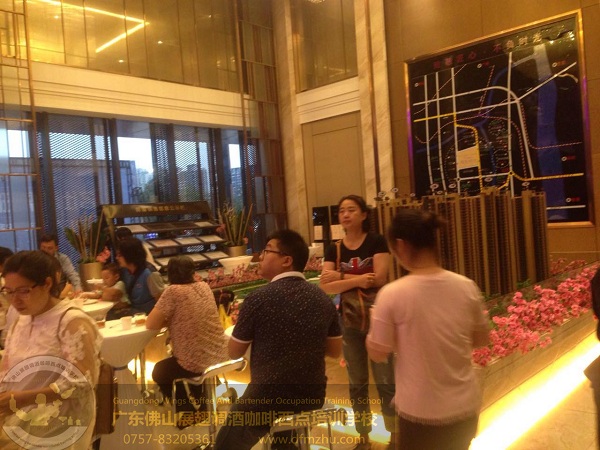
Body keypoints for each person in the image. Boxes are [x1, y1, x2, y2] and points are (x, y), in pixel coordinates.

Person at [366, 209, 490, 450]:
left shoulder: (392, 293)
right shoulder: (466, 286)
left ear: (400, 245)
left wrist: (374, 327)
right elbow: (480, 339)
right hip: (465, 409)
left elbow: (378, 353)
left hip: (419, 413)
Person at [214, 229, 343, 450]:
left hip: (267, 397)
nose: (260, 257)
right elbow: (334, 351)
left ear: (286, 260)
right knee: (285, 439)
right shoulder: (322, 299)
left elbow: (234, 352)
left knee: (225, 445)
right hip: (311, 395)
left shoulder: (257, 299)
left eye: (267, 251)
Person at [0, 250, 102, 450]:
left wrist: (24, 398)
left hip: (58, 418)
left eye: (23, 291)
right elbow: (7, 369)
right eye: (8, 292)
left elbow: (82, 383)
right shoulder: (21, 320)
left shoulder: (71, 321)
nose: (15, 300)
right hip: (18, 410)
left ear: (47, 284)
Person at [319, 194, 396, 449]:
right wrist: (359, 279)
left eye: (351, 210)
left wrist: (341, 277)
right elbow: (326, 285)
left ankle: (395, 436)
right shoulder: (334, 248)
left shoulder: (376, 241)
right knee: (357, 383)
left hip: (378, 320)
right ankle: (364, 437)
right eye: (342, 210)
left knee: (386, 381)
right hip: (349, 321)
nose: (345, 214)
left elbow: (380, 278)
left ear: (364, 214)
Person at [146, 256, 227, 399]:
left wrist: (169, 321)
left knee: (159, 371)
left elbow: (151, 324)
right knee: (183, 362)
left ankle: (185, 407)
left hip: (196, 362)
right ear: (192, 272)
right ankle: (202, 402)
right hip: (221, 354)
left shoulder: (173, 291)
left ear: (170, 274)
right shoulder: (204, 286)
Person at [114, 237, 165, 314]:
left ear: (129, 255)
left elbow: (161, 303)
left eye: (120, 255)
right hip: (133, 311)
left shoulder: (150, 274)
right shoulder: (124, 271)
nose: (116, 258)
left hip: (147, 314)